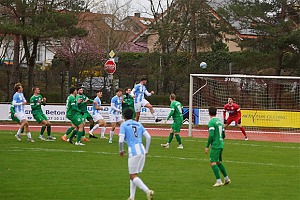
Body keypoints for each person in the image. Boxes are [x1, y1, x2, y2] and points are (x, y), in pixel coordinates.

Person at [119, 108, 154, 200]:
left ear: (124, 116)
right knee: (133, 174)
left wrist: (121, 150)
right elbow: (148, 137)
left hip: (133, 151)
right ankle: (132, 197)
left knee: (132, 175)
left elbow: (120, 140)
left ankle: (147, 191)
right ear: (133, 115)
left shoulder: (124, 125)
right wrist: (146, 150)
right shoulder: (139, 124)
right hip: (142, 150)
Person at [205, 107, 231, 187]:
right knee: (218, 162)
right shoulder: (220, 122)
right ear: (216, 113)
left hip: (216, 145)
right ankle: (226, 179)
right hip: (221, 144)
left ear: (209, 113)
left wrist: (207, 146)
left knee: (212, 162)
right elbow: (223, 135)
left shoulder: (211, 122)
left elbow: (211, 135)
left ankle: (219, 181)